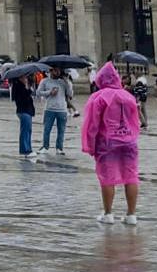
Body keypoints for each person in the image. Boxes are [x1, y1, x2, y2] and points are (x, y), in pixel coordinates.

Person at [81, 63, 142, 225]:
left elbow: (92, 124)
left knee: (107, 178)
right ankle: (131, 215)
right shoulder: (128, 96)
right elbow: (135, 121)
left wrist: (90, 144)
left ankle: (108, 214)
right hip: (129, 141)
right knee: (131, 176)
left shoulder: (99, 97)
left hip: (107, 142)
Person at [37, 70, 75, 157]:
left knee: (61, 130)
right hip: (49, 109)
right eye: (55, 70)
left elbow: (70, 94)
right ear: (50, 71)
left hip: (62, 110)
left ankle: (59, 148)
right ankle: (45, 147)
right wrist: (49, 92)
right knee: (47, 129)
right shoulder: (45, 81)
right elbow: (38, 92)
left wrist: (67, 83)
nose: (57, 72)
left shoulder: (63, 82)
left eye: (58, 70)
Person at [9, 73, 37, 161]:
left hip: (26, 111)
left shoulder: (20, 85)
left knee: (28, 130)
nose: (26, 78)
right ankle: (25, 150)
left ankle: (28, 149)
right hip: (24, 111)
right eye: (24, 77)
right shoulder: (19, 86)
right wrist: (28, 89)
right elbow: (23, 99)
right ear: (20, 77)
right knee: (25, 131)